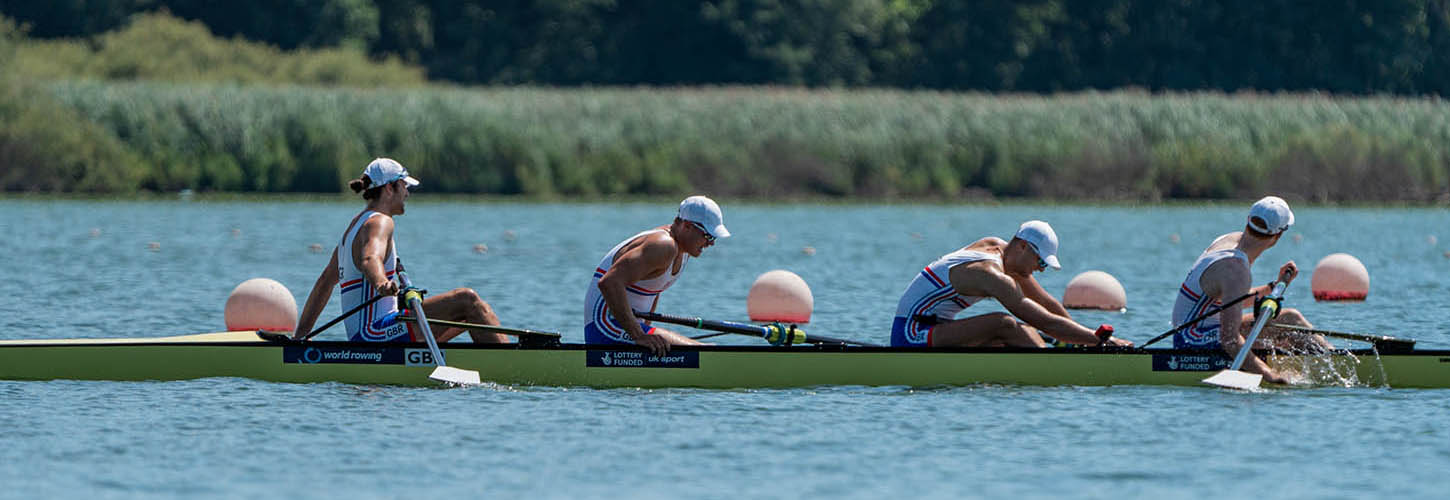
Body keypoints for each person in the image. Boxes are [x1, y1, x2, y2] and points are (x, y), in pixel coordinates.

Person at [292, 158, 507, 343]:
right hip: (375, 334)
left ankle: (494, 358)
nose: (407, 193)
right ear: (389, 189)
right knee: (466, 299)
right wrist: (381, 283)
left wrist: (300, 337)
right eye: (404, 186)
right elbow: (370, 259)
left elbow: (324, 282)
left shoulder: (353, 228)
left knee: (471, 313)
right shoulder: (380, 222)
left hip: (366, 335)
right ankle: (512, 362)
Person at [891, 220, 1132, 348]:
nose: (1040, 268)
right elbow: (1044, 321)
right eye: (1040, 261)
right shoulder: (991, 274)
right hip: (911, 335)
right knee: (1003, 323)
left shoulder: (999, 247)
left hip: (939, 329)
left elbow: (1046, 303)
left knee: (1021, 334)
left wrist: (1084, 339)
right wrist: (1097, 339)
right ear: (1023, 246)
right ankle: (1052, 366)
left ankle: (1052, 358)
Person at [1172, 196, 1328, 384]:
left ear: (1249, 220)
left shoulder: (1229, 240)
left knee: (1291, 321)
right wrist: (1269, 374)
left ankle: (1330, 357)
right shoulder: (1236, 269)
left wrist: (1273, 286)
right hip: (1192, 341)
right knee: (1289, 325)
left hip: (1203, 328)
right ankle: (1336, 363)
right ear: (1278, 236)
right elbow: (1229, 340)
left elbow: (1231, 300)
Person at [585, 196, 729, 355]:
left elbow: (654, 290)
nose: (711, 243)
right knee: (704, 352)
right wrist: (639, 335)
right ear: (687, 226)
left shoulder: (684, 248)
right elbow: (609, 283)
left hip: (624, 326)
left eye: (713, 237)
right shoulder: (663, 245)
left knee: (704, 350)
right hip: (604, 326)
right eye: (708, 236)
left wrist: (644, 337)